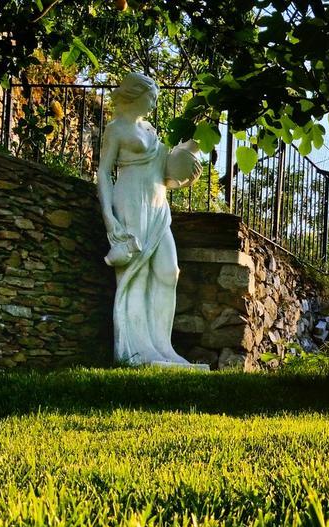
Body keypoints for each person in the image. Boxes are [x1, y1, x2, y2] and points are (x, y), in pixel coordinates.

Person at [96, 72, 202, 367]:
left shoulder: (152, 130)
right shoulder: (117, 129)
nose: (154, 103)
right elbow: (104, 173)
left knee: (170, 271)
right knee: (136, 275)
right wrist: (108, 216)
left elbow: (164, 177)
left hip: (157, 205)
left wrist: (185, 179)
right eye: (151, 97)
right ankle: (136, 350)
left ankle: (163, 348)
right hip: (130, 201)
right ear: (136, 94)